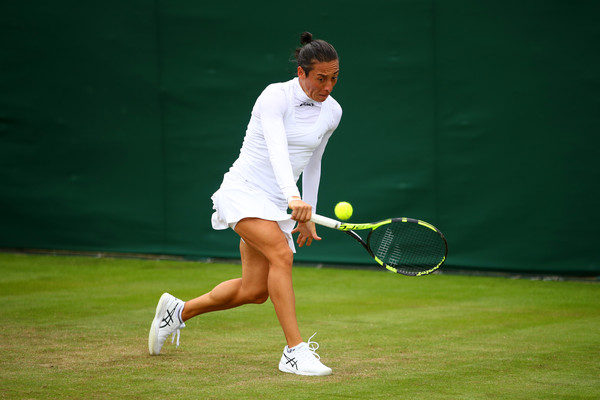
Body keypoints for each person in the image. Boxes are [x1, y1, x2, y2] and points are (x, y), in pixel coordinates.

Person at [148, 32, 342, 376]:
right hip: (244, 191)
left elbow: (314, 161)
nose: (327, 86)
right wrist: (293, 198)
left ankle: (177, 312)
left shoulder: (333, 112)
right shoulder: (274, 97)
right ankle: (294, 351)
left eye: (334, 78)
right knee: (281, 255)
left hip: (279, 201)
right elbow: (277, 150)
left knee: (254, 291)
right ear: (301, 73)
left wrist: (307, 211)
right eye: (320, 78)